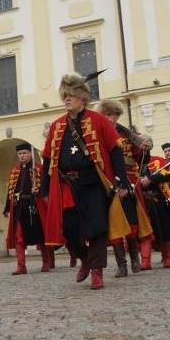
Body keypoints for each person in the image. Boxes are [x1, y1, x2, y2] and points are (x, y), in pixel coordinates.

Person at [39, 73, 131, 290]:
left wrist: (121, 180)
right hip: (67, 185)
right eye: (65, 95)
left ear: (82, 98)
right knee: (68, 229)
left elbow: (115, 150)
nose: (67, 99)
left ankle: (97, 272)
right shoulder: (57, 125)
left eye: (71, 95)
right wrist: (45, 187)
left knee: (97, 227)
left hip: (93, 182)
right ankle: (85, 259)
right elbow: (47, 158)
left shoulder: (98, 120)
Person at [95, 99, 154, 277]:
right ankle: (121, 264)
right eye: (108, 114)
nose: (112, 118)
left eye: (115, 115)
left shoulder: (127, 135)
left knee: (132, 223)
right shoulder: (98, 134)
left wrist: (145, 148)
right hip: (108, 182)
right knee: (113, 225)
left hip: (128, 181)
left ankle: (135, 257)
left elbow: (140, 157)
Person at [3, 142, 51, 274]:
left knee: (40, 233)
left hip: (34, 204)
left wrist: (39, 189)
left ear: (30, 153)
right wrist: (7, 208)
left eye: (25, 153)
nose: (22, 156)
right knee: (18, 236)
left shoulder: (39, 168)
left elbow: (47, 187)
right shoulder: (14, 171)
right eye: (20, 153)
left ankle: (46, 261)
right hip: (19, 206)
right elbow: (10, 191)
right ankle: (21, 265)